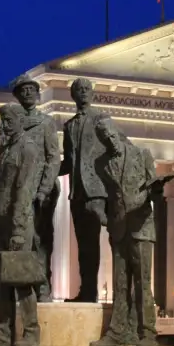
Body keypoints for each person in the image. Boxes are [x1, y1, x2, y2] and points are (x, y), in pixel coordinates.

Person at [89, 119, 172, 346]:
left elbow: (152, 188)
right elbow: (106, 196)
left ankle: (146, 333)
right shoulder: (101, 164)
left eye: (112, 136)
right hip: (118, 227)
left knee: (143, 282)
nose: (110, 141)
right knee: (120, 282)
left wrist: (155, 190)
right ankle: (117, 333)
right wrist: (104, 217)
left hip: (141, 227)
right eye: (105, 139)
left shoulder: (141, 154)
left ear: (118, 133)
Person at [0, 104, 43, 346]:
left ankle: (31, 332)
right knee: (1, 279)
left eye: (8, 120)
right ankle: (4, 334)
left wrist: (18, 228)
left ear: (20, 120)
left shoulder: (27, 148)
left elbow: (24, 189)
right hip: (4, 220)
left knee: (22, 278)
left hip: (19, 222)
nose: (4, 124)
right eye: (2, 120)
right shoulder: (8, 149)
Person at [3, 73, 60, 303]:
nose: (27, 93)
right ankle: (22, 287)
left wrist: (43, 190)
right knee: (18, 239)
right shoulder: (9, 123)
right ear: (17, 95)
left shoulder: (46, 123)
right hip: (16, 190)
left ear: (38, 94)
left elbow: (53, 158)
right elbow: (2, 154)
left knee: (41, 239)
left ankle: (43, 285)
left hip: (40, 190)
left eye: (31, 89)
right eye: (22, 90)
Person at [60, 77, 110, 302]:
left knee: (95, 242)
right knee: (84, 245)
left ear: (92, 94)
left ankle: (94, 291)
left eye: (86, 89)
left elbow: (115, 149)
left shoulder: (101, 119)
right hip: (76, 192)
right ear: (73, 95)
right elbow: (68, 161)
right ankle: (86, 290)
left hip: (96, 191)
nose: (83, 93)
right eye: (78, 90)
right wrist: (43, 170)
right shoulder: (69, 126)